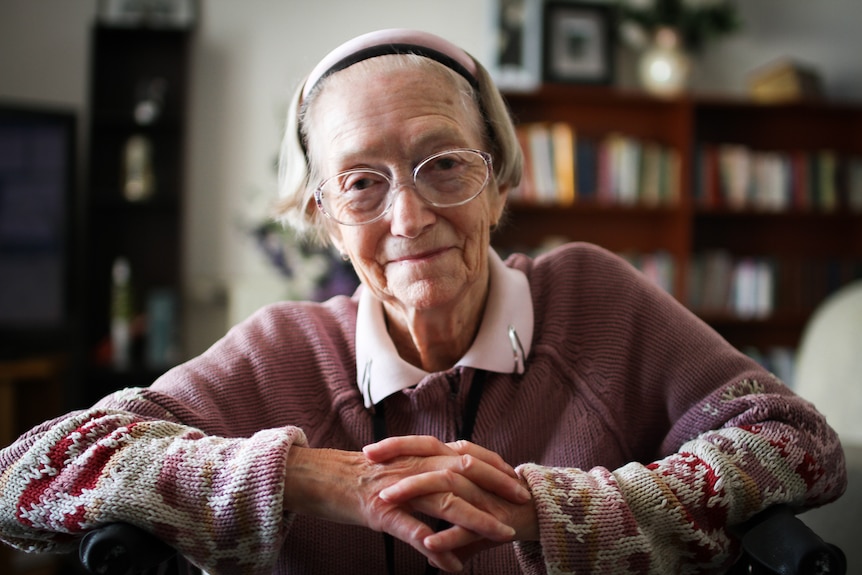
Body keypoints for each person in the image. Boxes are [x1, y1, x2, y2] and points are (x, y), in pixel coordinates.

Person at [0, 28, 846, 575]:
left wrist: (552, 509)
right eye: (362, 183)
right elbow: (23, 478)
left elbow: (800, 445)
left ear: (500, 185)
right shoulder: (285, 350)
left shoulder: (594, 297)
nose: (410, 216)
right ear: (323, 221)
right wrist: (306, 478)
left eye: (445, 164)